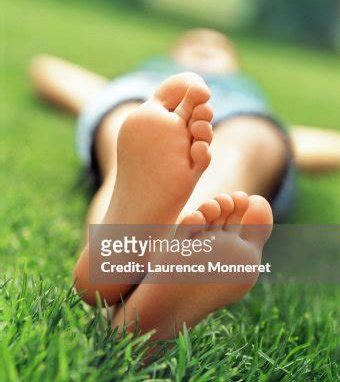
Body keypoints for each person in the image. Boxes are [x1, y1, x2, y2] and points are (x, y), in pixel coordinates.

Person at [29, 29, 340, 340]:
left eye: (218, 45)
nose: (205, 45)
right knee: (127, 122)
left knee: (249, 144)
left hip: (238, 120)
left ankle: (130, 256)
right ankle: (176, 250)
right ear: (172, 53)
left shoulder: (248, 101)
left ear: (234, 63)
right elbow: (48, 69)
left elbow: (309, 145)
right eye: (195, 41)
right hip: (147, 100)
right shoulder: (146, 80)